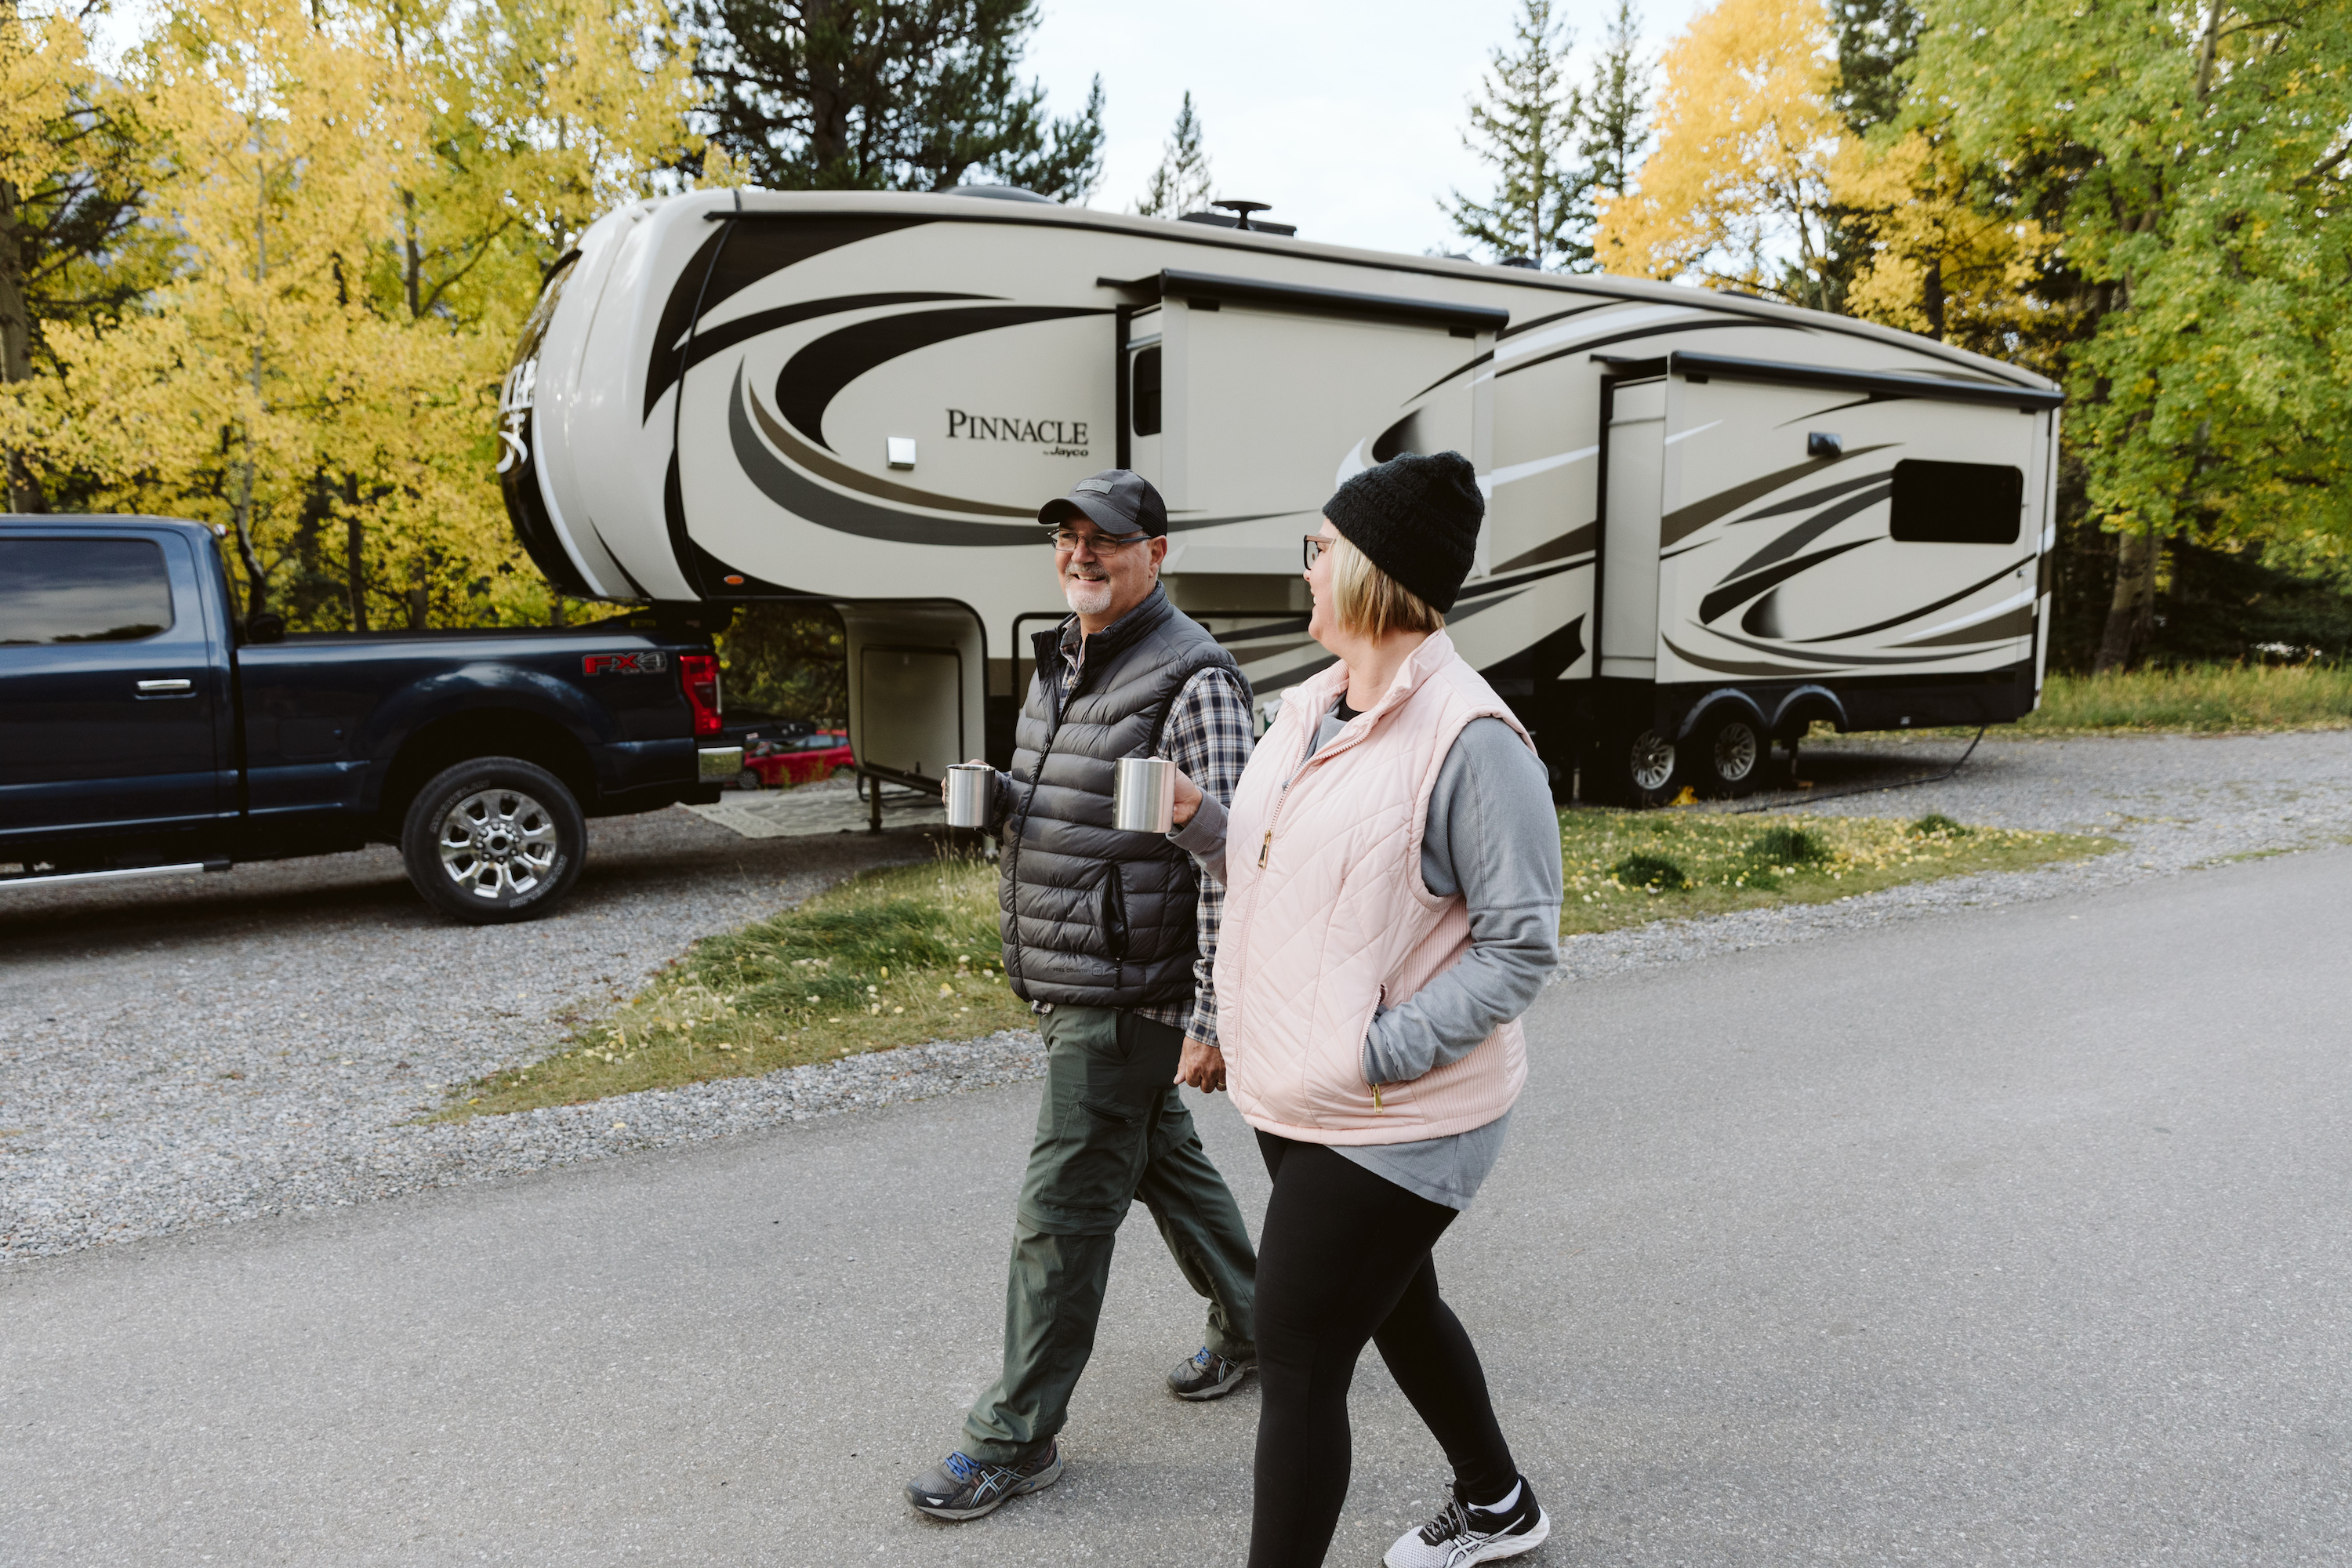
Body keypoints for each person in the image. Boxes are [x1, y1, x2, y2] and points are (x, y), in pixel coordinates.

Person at [1165, 451, 1565, 1567]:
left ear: (1375, 571)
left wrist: (1371, 1052)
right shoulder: (1310, 705)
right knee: (1393, 1300)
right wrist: (1202, 822)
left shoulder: (1472, 740)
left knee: (1296, 1351)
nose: (1306, 567)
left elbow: (1520, 947)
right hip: (1303, 1087)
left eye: (1322, 548)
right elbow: (1280, 869)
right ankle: (1499, 1505)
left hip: (1400, 1108)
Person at [906, 468, 1261, 1523]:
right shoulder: (1068, 656)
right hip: (1081, 979)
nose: (1080, 554)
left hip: (1131, 995)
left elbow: (1238, 858)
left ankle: (1014, 1439)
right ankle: (1258, 1324)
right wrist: (1011, 796)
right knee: (1162, 1163)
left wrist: (1211, 1016)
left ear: (1157, 551)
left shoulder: (1194, 677)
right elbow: (1095, 806)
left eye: (1103, 537)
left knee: (1059, 1216)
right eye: (1066, 536)